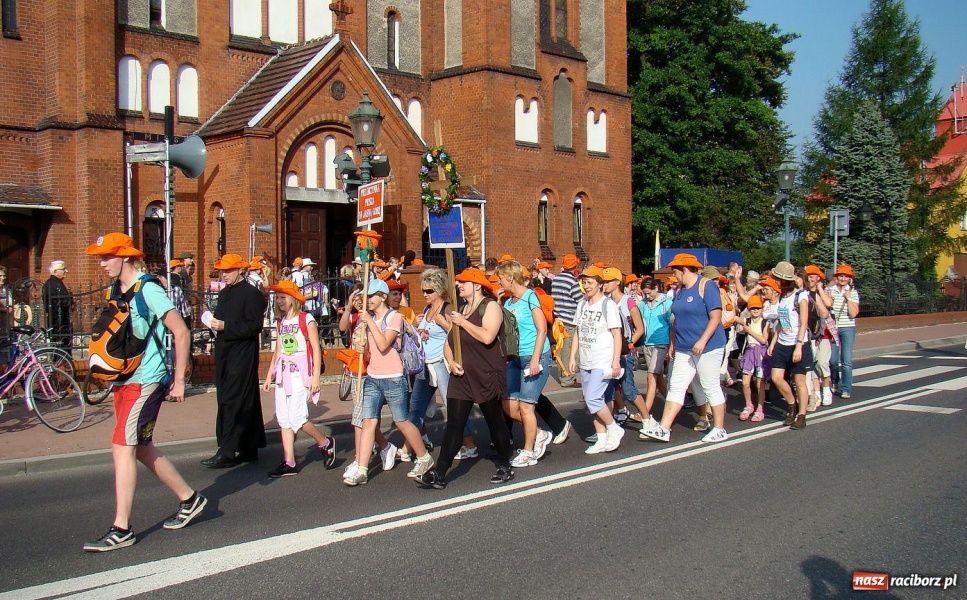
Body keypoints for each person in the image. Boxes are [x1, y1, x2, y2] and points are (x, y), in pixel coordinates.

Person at [82, 233, 205, 552]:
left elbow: (181, 331)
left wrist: (179, 380)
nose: (102, 262)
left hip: (147, 380)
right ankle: (190, 499)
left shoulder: (148, 288)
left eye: (107, 256)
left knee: (122, 446)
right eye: (101, 257)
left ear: (124, 256)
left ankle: (121, 528)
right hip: (124, 380)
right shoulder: (116, 288)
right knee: (141, 447)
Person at [415, 267, 514, 489]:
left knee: (494, 421)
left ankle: (505, 464)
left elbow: (487, 337)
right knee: (454, 424)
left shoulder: (490, 307)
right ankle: (439, 473)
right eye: (458, 282)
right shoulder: (462, 309)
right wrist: (451, 362)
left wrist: (463, 323)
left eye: (464, 282)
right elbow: (448, 344)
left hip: (487, 374)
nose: (459, 285)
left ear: (477, 285)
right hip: (462, 376)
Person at [344, 279, 434, 486]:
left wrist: (370, 324)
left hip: (393, 377)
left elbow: (384, 344)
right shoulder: (369, 320)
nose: (367, 301)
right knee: (368, 421)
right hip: (373, 377)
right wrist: (362, 349)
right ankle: (362, 469)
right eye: (365, 297)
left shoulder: (395, 317)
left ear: (382, 297)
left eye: (371, 296)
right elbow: (371, 352)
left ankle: (424, 458)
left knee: (401, 421)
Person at [641, 253, 729, 444]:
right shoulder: (680, 291)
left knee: (710, 385)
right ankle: (664, 428)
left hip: (708, 347)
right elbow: (676, 319)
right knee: (677, 386)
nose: (674, 274)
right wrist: (673, 342)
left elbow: (715, 317)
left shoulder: (707, 286)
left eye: (675, 270)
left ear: (685, 269)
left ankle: (719, 428)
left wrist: (702, 341)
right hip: (683, 346)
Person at [261, 280, 335, 477]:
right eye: (277, 298)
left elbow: (316, 348)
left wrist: (315, 377)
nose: (279, 301)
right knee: (283, 419)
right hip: (283, 374)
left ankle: (325, 442)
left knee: (297, 418)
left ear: (293, 299)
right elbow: (278, 349)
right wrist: (269, 374)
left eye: (283, 297)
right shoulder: (281, 321)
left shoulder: (306, 319)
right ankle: (289, 461)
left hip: (300, 374)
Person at [202, 254, 268, 468]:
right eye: (223, 271)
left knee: (235, 398)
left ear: (240, 270)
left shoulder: (252, 294)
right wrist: (213, 325)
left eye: (228, 271)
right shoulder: (224, 294)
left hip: (242, 354)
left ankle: (228, 449)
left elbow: (254, 326)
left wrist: (226, 327)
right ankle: (249, 447)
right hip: (225, 352)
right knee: (231, 397)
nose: (225, 275)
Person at [497, 260, 553, 468]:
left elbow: (542, 330)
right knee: (509, 406)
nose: (499, 281)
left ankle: (528, 451)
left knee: (526, 407)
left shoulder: (530, 297)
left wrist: (537, 359)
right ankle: (539, 434)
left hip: (534, 357)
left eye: (501, 278)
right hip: (515, 359)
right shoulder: (508, 302)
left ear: (511, 277)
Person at [568, 265, 625, 454]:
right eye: (584, 282)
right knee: (594, 400)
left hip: (602, 359)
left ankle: (614, 428)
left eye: (590, 282)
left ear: (600, 284)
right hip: (586, 359)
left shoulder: (607, 305)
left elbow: (617, 334)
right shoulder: (582, 304)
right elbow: (577, 331)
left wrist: (616, 360)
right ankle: (601, 439)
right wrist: (572, 356)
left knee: (592, 397)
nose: (586, 286)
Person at [403, 268, 451, 459]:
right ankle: (408, 447)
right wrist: (417, 326)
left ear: (440, 290)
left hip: (441, 363)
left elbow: (456, 335)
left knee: (453, 405)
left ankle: (468, 443)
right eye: (423, 290)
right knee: (416, 407)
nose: (424, 294)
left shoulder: (447, 309)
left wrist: (444, 323)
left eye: (429, 291)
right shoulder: (425, 310)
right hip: (424, 365)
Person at [768, 261, 813, 430]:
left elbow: (803, 323)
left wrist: (799, 346)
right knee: (776, 378)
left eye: (778, 279)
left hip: (797, 342)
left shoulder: (800, 296)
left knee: (799, 380)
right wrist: (773, 342)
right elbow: (780, 322)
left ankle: (801, 415)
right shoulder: (781, 297)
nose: (776, 281)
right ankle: (791, 404)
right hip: (782, 342)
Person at [636, 278, 671, 435]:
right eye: (644, 293)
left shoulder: (667, 302)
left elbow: (672, 323)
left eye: (649, 293)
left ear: (657, 288)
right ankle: (673, 401)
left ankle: (645, 412)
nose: (647, 296)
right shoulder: (643, 303)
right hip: (648, 343)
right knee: (658, 378)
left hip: (661, 342)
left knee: (651, 377)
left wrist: (672, 344)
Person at [550, 253, 583, 387]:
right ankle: (568, 379)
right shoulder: (572, 281)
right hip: (570, 320)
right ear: (575, 265)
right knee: (569, 351)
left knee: (561, 349)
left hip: (558, 320)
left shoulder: (556, 279)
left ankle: (565, 375)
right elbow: (580, 300)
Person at [804, 265, 834, 410]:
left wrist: (820, 290)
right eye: (808, 276)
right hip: (809, 334)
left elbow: (828, 306)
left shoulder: (823, 291)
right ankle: (816, 392)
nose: (810, 278)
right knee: (812, 365)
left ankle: (826, 388)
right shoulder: (803, 293)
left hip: (823, 333)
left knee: (822, 363)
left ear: (818, 278)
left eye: (813, 276)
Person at [737, 294, 771, 422]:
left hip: (761, 353)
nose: (755, 310)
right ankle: (749, 405)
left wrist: (749, 330)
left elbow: (763, 339)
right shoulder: (747, 320)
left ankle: (760, 409)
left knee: (759, 383)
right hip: (749, 351)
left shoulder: (765, 323)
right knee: (745, 382)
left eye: (758, 307)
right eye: (753, 308)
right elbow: (733, 318)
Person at [828, 264, 860, 400]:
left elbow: (853, 313)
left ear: (849, 279)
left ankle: (846, 388)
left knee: (846, 360)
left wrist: (848, 298)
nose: (843, 278)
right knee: (832, 359)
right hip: (833, 328)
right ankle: (834, 380)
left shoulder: (852, 292)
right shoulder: (829, 290)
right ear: (836, 277)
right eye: (840, 276)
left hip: (847, 328)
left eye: (846, 276)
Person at [42, 260, 73, 348]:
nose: (66, 271)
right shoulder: (54, 284)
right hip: (59, 322)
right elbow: (60, 302)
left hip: (59, 322)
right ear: (55, 272)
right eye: (63, 269)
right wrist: (69, 300)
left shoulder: (56, 283)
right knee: (60, 347)